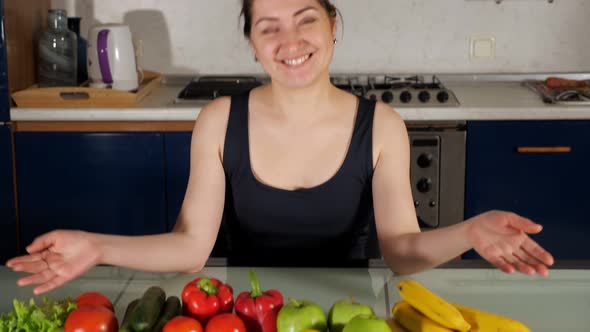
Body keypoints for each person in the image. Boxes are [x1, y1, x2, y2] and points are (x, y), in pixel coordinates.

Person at [6, 0, 554, 295]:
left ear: (332, 25)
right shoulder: (219, 121)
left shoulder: (382, 125)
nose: (290, 43)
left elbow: (402, 253)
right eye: (268, 27)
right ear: (252, 42)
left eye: (305, 20)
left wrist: (470, 230)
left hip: (349, 311)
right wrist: (99, 247)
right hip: (245, 309)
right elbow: (190, 249)